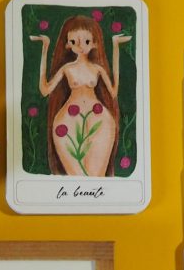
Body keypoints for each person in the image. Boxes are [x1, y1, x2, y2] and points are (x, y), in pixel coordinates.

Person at [30, 15, 131, 177]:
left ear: (94, 44)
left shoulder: (97, 69)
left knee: (97, 172)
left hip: (100, 119)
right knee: (75, 173)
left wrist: (115, 47)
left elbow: (113, 92)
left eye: (86, 41)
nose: (80, 46)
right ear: (68, 45)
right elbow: (44, 90)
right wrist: (45, 47)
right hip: (68, 121)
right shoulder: (67, 68)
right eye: (73, 42)